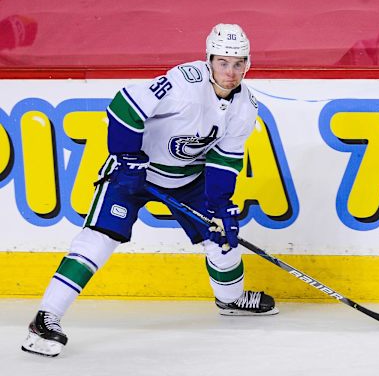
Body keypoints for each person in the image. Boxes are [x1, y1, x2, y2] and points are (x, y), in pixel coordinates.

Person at [21, 23, 278, 358]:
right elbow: (125, 105)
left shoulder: (246, 107)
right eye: (222, 62)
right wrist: (128, 157)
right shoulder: (184, 83)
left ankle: (230, 300)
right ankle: (45, 319)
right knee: (98, 239)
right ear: (208, 60)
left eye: (238, 63)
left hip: (188, 180)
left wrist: (219, 203)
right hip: (135, 173)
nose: (230, 71)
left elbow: (224, 159)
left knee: (222, 237)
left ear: (248, 64)